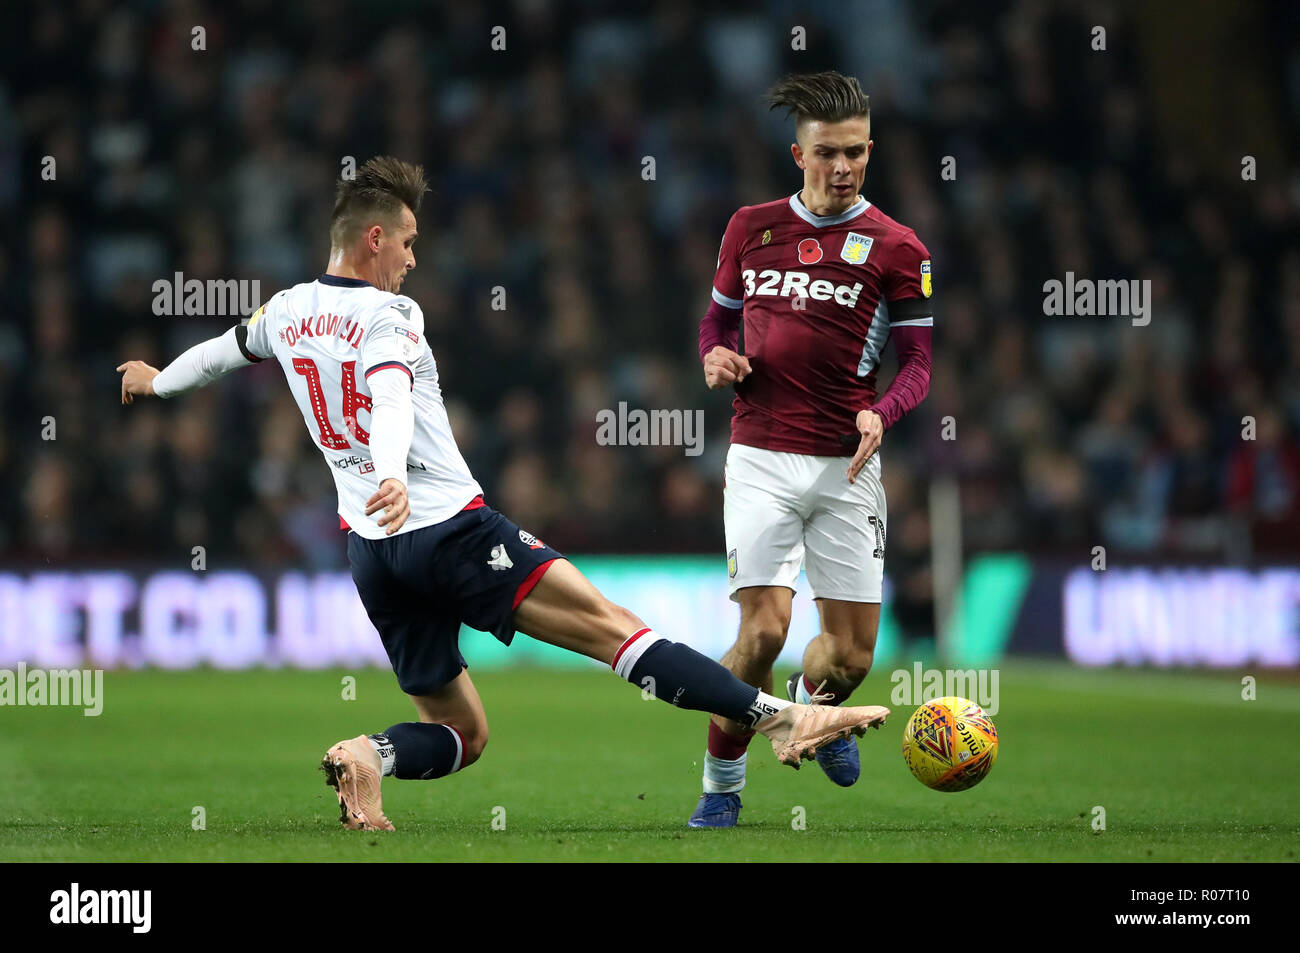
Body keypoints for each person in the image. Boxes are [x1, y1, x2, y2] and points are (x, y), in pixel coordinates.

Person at [117, 156, 890, 832]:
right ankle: (781, 719)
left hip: (372, 553)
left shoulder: (287, 309)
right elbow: (386, 392)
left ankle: (368, 753)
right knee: (615, 630)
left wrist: (158, 382)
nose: (414, 261)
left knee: (462, 733)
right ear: (375, 238)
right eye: (410, 243)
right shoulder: (390, 314)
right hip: (450, 531)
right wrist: (391, 469)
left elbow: (221, 352)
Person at [691, 72, 933, 828]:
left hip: (847, 464)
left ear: (870, 150)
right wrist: (714, 360)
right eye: (827, 152)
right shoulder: (750, 227)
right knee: (761, 631)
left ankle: (810, 704)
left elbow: (920, 364)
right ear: (798, 152)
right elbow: (715, 325)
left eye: (856, 153)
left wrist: (881, 413)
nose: (842, 167)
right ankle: (721, 787)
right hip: (761, 454)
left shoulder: (899, 247)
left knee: (853, 658)